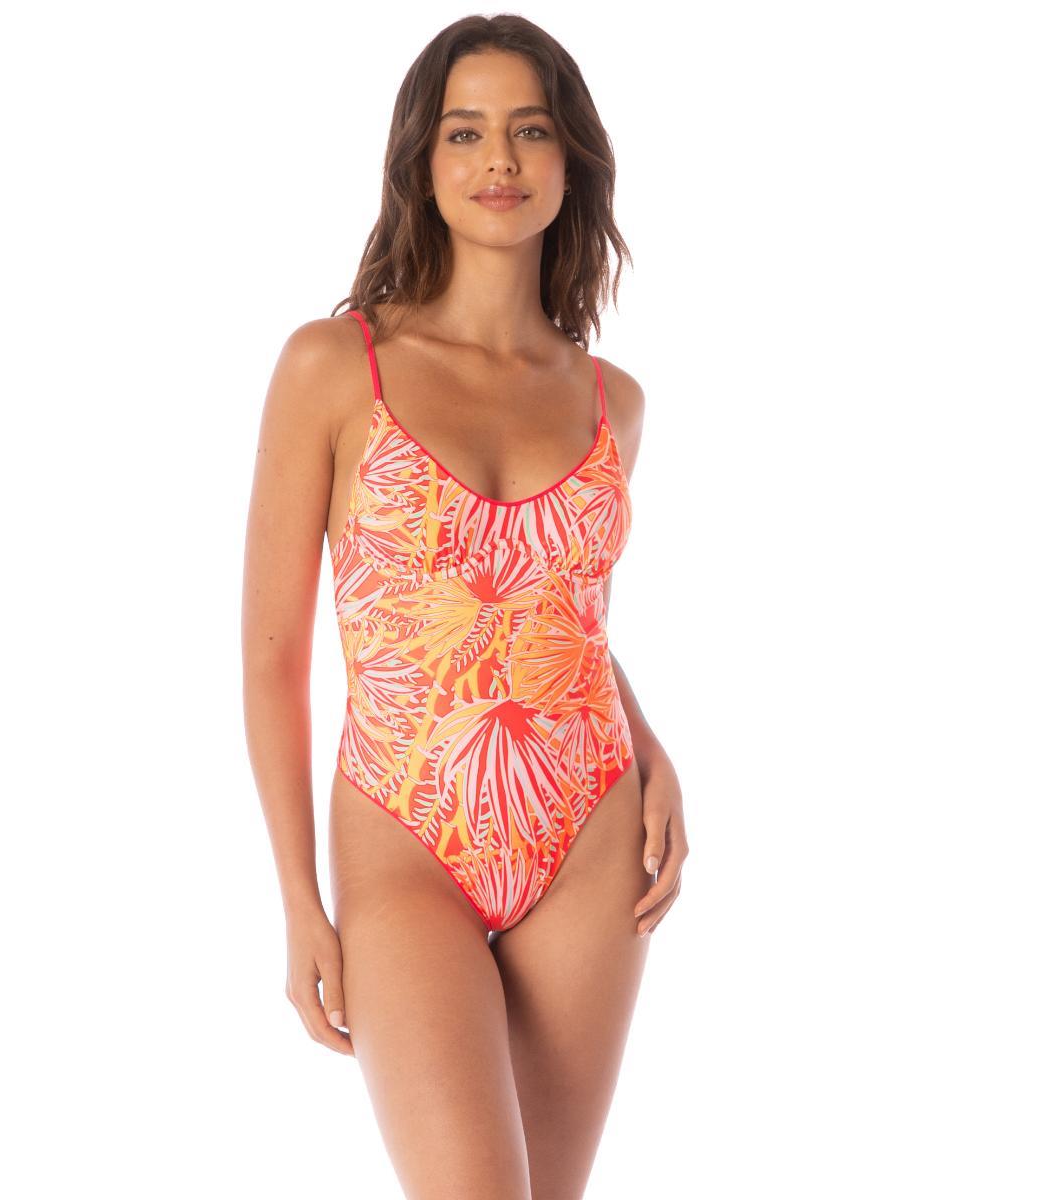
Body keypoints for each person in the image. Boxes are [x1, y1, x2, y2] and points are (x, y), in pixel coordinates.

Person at [242, 14, 688, 1199]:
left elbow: (557, 616)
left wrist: (651, 748)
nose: (499, 158)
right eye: (465, 131)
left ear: (570, 160)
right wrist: (298, 902)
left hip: (591, 828)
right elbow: (272, 656)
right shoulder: (334, 367)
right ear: (422, 162)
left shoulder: (613, 401)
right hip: (404, 837)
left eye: (529, 130)